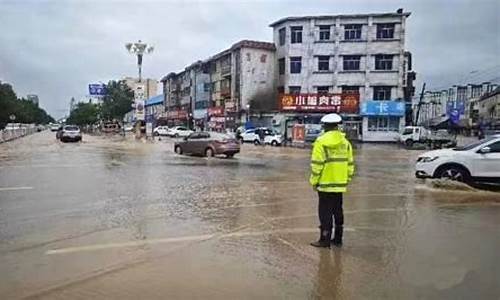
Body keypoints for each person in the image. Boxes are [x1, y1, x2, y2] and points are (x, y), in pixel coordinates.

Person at [309, 113, 354, 248]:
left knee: (325, 212)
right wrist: (346, 179)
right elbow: (350, 164)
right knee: (338, 210)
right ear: (337, 126)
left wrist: (314, 181)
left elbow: (317, 165)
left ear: (324, 127)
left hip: (324, 184)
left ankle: (325, 239)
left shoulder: (320, 142)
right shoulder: (346, 143)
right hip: (340, 185)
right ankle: (338, 238)